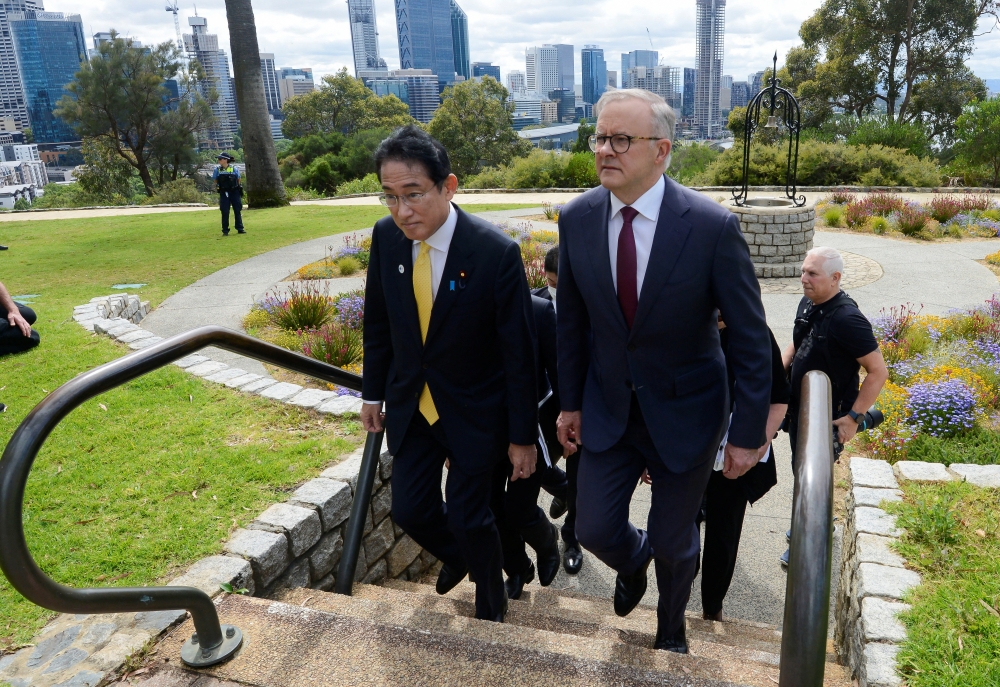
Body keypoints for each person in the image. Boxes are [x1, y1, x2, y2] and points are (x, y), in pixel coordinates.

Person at [556, 89, 772, 654]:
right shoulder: (577, 218)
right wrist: (570, 403)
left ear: (662, 150)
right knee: (593, 528)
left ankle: (671, 631)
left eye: (620, 139)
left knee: (678, 542)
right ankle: (634, 562)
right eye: (599, 137)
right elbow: (572, 323)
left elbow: (750, 338)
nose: (605, 150)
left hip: (687, 412)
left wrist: (748, 434)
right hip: (608, 408)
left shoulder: (709, 226)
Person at [360, 125, 537, 623]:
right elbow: (378, 323)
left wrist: (523, 437)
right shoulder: (386, 238)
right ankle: (460, 556)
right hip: (412, 403)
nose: (402, 210)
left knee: (469, 514)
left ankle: (491, 602)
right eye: (391, 197)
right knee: (411, 510)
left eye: (413, 194)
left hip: (476, 410)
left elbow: (520, 355)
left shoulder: (493, 253)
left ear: (448, 186)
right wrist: (372, 393)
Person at [779, 246, 888, 566]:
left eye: (812, 273)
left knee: (814, 479)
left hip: (829, 418)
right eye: (803, 271)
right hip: (800, 412)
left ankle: (809, 544)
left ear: (835, 278)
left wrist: (853, 418)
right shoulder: (810, 302)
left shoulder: (848, 319)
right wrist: (778, 377)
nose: (803, 279)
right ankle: (805, 526)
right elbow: (796, 342)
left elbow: (878, 371)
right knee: (801, 474)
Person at [699, 317, 789, 621]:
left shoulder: (755, 333)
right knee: (677, 528)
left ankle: (712, 607)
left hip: (734, 455)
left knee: (722, 536)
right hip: (688, 450)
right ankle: (676, 593)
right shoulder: (683, 322)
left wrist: (757, 446)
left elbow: (779, 396)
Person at [493, 292, 562, 600]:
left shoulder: (539, 311)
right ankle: (518, 567)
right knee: (492, 507)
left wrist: (568, 427)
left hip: (530, 428)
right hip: (485, 428)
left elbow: (561, 376)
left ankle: (548, 541)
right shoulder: (461, 307)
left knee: (519, 508)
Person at [534, 245, 584, 575]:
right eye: (551, 282)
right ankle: (562, 489)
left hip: (581, 406)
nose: (556, 291)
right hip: (542, 407)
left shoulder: (592, 307)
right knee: (532, 467)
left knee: (580, 476)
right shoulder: (533, 303)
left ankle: (573, 538)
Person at [212, 153, 245, 236]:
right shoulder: (217, 170)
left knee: (237, 210)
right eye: (218, 159)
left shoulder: (234, 169)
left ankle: (240, 228)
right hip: (224, 192)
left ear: (226, 160)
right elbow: (215, 180)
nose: (219, 160)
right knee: (225, 211)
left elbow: (238, 179)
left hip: (234, 192)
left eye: (220, 159)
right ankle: (225, 230)